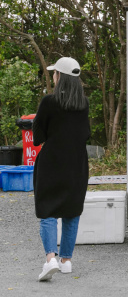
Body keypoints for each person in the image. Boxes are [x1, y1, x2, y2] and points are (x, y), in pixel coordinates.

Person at [33, 57, 90, 281]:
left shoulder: (49, 102)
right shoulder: (83, 103)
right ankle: (66, 261)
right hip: (77, 164)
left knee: (47, 211)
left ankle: (50, 259)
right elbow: (85, 134)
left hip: (51, 163)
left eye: (54, 73)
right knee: (71, 211)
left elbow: (38, 137)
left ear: (60, 77)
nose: (53, 77)